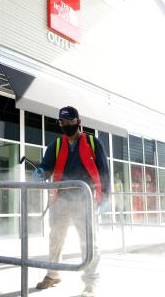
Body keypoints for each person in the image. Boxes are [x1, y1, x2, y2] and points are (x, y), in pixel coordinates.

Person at [34, 106, 110, 297]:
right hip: (61, 201)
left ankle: (90, 284)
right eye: (62, 122)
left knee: (88, 242)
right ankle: (53, 274)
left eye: (69, 122)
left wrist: (106, 197)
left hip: (85, 200)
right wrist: (42, 171)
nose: (66, 125)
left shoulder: (94, 143)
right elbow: (47, 166)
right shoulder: (57, 145)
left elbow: (104, 173)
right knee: (55, 239)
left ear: (78, 121)